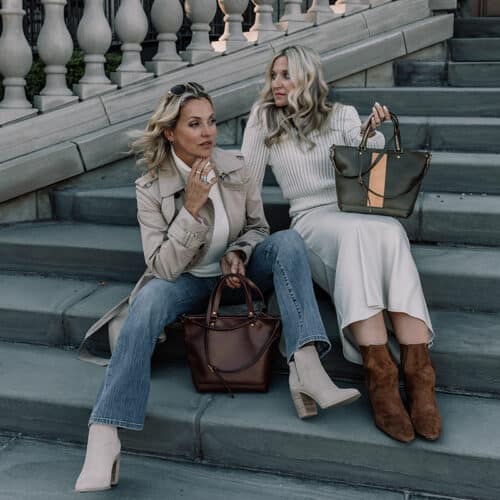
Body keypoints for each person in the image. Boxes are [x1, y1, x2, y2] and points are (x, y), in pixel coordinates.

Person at [74, 82, 360, 493]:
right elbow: (162, 266)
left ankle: (308, 367)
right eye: (195, 124)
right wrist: (190, 208)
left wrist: (241, 252)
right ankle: (104, 434)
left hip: (238, 276)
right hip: (187, 282)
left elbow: (259, 227)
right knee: (149, 298)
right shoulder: (150, 187)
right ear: (171, 133)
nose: (209, 132)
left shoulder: (235, 166)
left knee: (289, 242)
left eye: (211, 121)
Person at [241, 46, 442, 444]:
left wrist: (371, 131)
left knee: (389, 231)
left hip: (352, 209)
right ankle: (380, 373)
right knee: (356, 235)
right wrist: (246, 235)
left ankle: (420, 373)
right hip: (312, 220)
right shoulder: (265, 119)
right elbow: (245, 180)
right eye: (273, 75)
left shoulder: (342, 115)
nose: (276, 83)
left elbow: (370, 166)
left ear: (308, 78)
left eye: (285, 75)